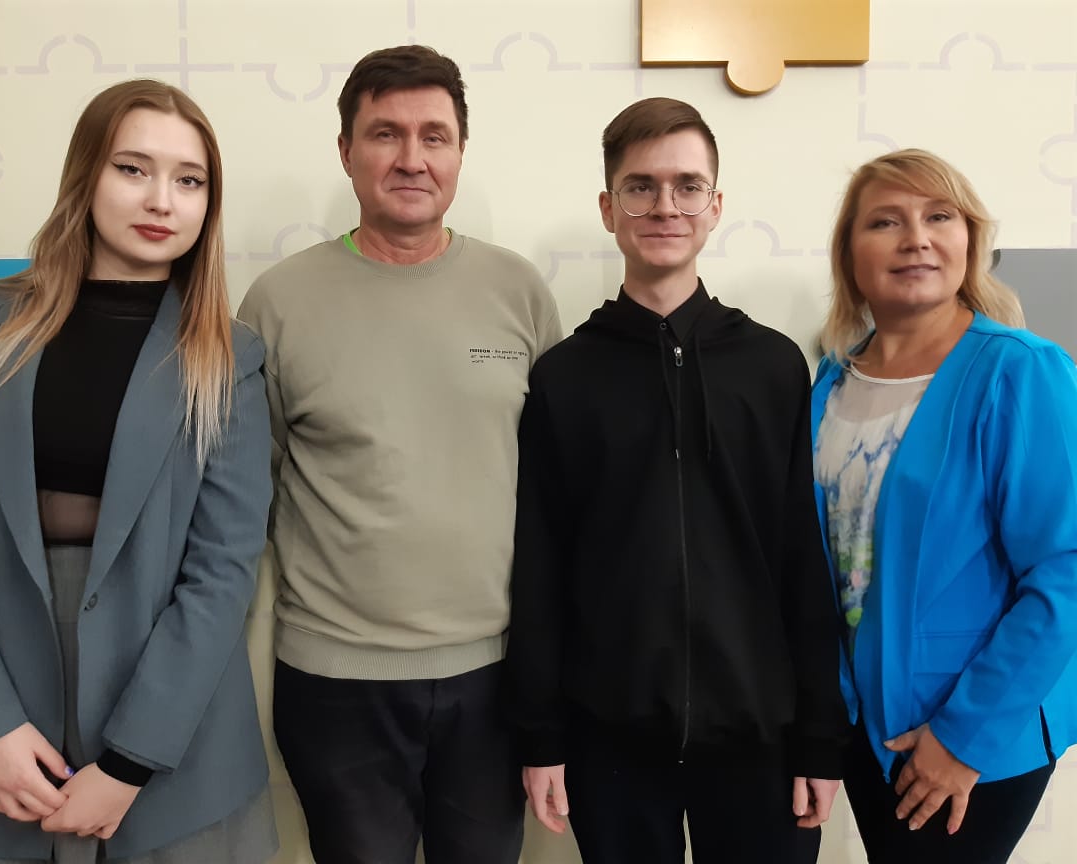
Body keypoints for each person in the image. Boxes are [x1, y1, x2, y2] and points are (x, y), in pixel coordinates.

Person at [0, 80, 277, 864]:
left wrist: (128, 763)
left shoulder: (231, 354)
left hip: (172, 733)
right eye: (132, 169)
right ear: (85, 174)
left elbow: (223, 568)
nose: (161, 200)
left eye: (190, 180)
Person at [237, 45, 561, 864]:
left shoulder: (518, 291)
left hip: (496, 675)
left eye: (434, 136)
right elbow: (246, 496)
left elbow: (556, 491)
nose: (412, 158)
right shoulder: (278, 303)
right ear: (346, 151)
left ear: (459, 153)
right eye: (385, 134)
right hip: (334, 681)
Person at [505, 96, 847, 864]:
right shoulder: (564, 377)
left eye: (688, 186)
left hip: (761, 736)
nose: (665, 206)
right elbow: (541, 567)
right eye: (641, 186)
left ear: (715, 206)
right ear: (608, 208)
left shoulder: (772, 367)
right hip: (610, 738)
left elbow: (803, 558)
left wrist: (820, 734)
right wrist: (541, 732)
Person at [812, 148, 1077, 863]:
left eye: (939, 217)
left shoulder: (1020, 371)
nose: (916, 239)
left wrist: (963, 738)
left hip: (968, 732)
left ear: (969, 241)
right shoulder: (831, 380)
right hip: (864, 727)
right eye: (885, 222)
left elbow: (1067, 569)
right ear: (850, 254)